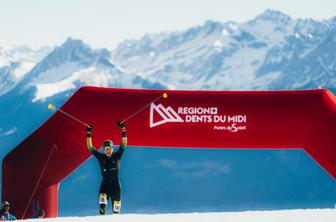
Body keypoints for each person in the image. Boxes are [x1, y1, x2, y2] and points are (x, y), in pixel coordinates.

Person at [86, 121, 127, 215]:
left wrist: (123, 128)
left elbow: (124, 143)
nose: (107, 151)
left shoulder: (117, 155)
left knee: (116, 212)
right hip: (104, 186)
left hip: (116, 187)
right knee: (102, 209)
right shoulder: (101, 157)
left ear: (112, 149)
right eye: (105, 149)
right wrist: (89, 132)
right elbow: (90, 147)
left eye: (109, 148)